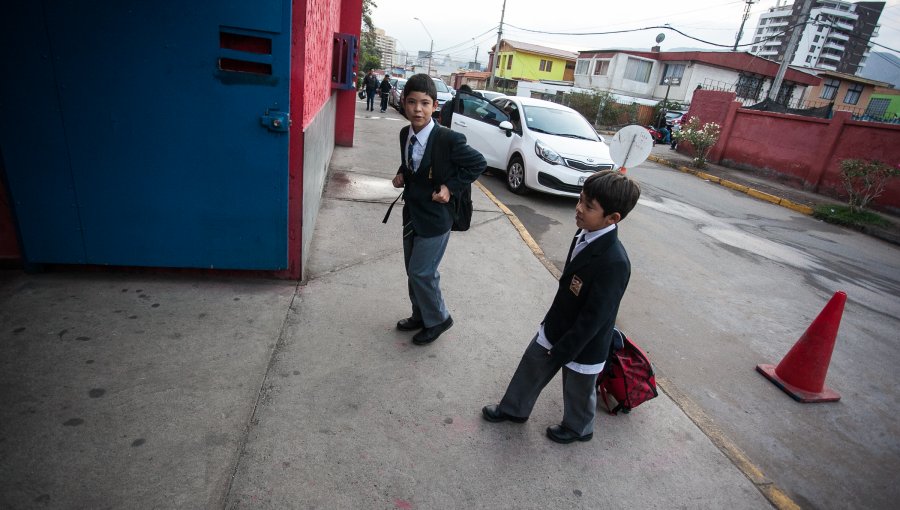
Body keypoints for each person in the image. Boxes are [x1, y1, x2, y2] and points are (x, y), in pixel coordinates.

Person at [481, 170, 641, 444]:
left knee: (577, 387)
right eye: (580, 200)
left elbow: (595, 318)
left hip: (584, 341)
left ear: (613, 218)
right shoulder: (585, 232)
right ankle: (514, 409)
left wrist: (565, 350)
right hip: (557, 325)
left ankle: (580, 428)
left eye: (588, 207)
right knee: (532, 364)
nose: (578, 209)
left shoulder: (615, 262)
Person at [391, 74, 486, 345]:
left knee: (423, 272)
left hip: (436, 218)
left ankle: (439, 319)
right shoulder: (404, 134)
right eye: (411, 102)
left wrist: (450, 187)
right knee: (413, 271)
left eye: (424, 103)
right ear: (403, 103)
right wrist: (401, 174)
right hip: (412, 214)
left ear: (435, 106)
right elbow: (411, 163)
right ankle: (420, 314)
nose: (417, 109)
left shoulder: (449, 139)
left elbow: (477, 164)